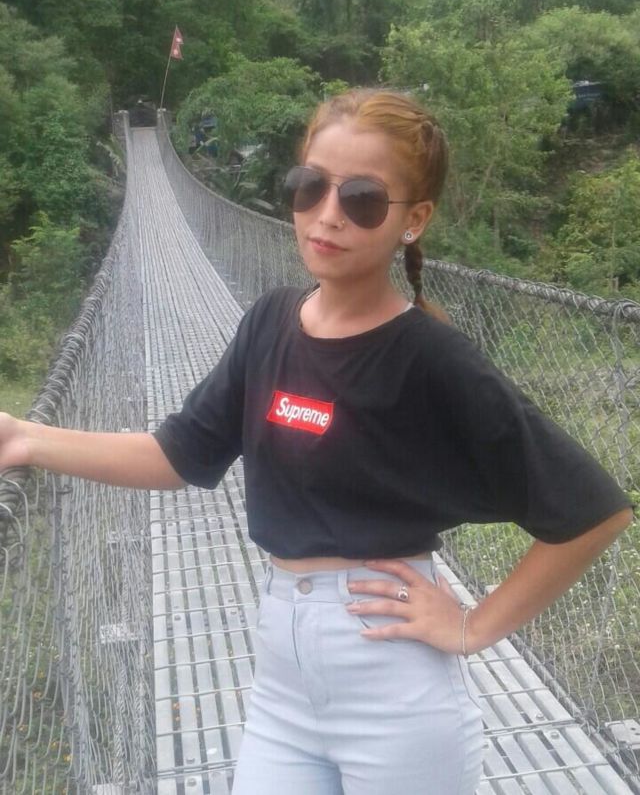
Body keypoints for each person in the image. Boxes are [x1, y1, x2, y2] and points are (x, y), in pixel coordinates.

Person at [0, 89, 633, 795]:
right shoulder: (269, 322)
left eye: (362, 199)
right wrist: (26, 438)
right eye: (310, 186)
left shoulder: (431, 357)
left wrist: (473, 626)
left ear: (414, 219)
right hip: (281, 684)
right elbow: (177, 454)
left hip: (393, 685)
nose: (328, 213)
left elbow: (593, 509)